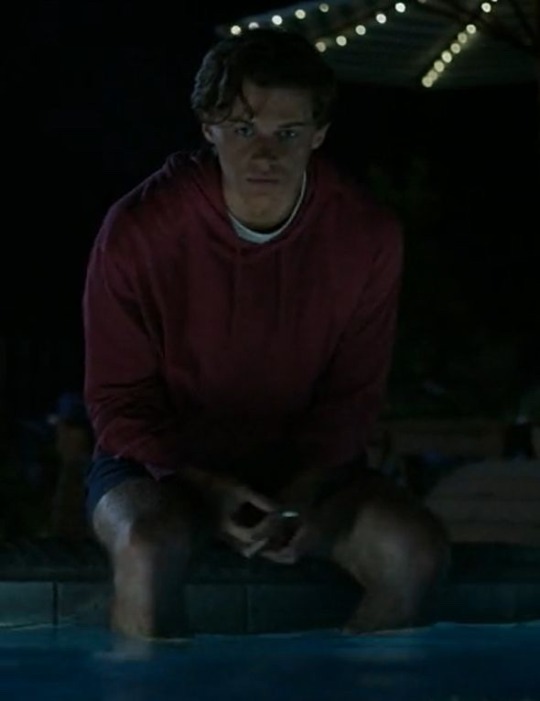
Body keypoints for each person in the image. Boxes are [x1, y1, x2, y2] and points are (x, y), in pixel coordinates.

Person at [82, 27, 449, 639]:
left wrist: (303, 490)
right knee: (146, 550)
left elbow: (354, 396)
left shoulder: (366, 235)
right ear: (209, 128)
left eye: (288, 133)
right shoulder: (140, 231)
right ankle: (151, 680)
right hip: (160, 466)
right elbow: (115, 403)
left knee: (415, 553)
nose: (265, 155)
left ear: (319, 134)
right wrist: (205, 484)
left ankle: (355, 679)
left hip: (305, 469)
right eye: (244, 129)